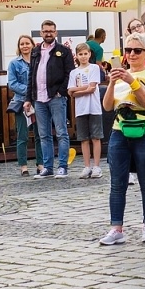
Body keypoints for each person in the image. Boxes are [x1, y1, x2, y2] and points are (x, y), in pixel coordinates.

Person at [101, 32, 145, 245]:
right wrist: (112, 83)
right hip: (120, 130)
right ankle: (116, 228)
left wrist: (132, 81)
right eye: (128, 50)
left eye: (137, 50)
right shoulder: (121, 74)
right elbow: (107, 106)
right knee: (117, 183)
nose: (131, 54)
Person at [29, 19, 74, 179]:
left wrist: (60, 92)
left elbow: (70, 73)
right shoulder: (35, 51)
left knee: (61, 133)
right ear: (41, 33)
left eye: (51, 31)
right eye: (45, 31)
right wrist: (29, 98)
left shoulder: (64, 51)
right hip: (39, 98)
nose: (48, 33)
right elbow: (31, 75)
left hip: (56, 97)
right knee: (43, 135)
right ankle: (47, 167)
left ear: (56, 33)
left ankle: (62, 166)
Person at [70, 43, 104, 179]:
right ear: (76, 56)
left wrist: (77, 89)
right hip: (81, 109)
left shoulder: (94, 68)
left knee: (96, 137)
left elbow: (92, 88)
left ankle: (96, 166)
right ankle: (86, 166)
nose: (83, 56)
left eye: (85, 54)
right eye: (80, 54)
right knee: (83, 138)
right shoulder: (74, 72)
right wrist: (82, 89)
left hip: (94, 107)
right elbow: (70, 92)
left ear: (89, 54)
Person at [7, 34, 36, 176]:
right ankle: (23, 166)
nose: (25, 46)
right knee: (22, 135)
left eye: (27, 43)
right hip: (21, 102)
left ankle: (41, 164)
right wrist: (29, 90)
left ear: (32, 44)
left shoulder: (39, 61)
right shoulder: (14, 63)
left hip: (38, 101)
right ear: (19, 47)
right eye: (22, 44)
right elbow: (12, 84)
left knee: (40, 135)